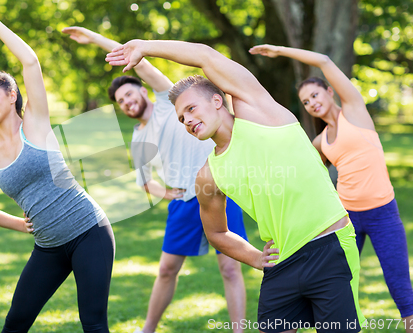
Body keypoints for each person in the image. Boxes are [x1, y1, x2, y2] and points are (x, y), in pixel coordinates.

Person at [106, 40, 366, 333]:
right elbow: (216, 232)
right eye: (182, 118)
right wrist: (255, 257)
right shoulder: (207, 175)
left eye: (191, 108)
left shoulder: (260, 113)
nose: (188, 120)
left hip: (329, 248)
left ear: (217, 100)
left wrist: (145, 46)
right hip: (281, 263)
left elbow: (205, 56)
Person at [62, 27, 248, 333]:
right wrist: (168, 194)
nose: (126, 102)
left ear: (142, 90)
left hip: (219, 190)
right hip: (185, 203)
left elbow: (140, 59)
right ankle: (148, 329)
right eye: (120, 101)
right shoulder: (137, 139)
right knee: (166, 270)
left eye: (129, 94)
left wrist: (95, 39)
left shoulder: (166, 101)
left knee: (230, 267)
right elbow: (145, 182)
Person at [0, 8, 115, 333]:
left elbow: (30, 61)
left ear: (11, 94)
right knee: (16, 323)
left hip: (89, 232)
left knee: (93, 323)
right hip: (48, 246)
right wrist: (20, 225)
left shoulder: (35, 123)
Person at [249, 44, 413, 332]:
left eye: (314, 94)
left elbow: (325, 60)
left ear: (329, 91)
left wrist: (279, 50)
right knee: (339, 285)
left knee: (400, 287)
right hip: (345, 219)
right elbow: (300, 178)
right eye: (305, 101)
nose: (311, 102)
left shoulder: (355, 112)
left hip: (382, 214)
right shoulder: (320, 142)